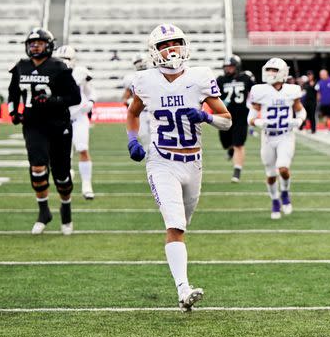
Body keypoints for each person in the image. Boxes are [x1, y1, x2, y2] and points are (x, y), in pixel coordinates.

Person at [126, 23, 232, 312]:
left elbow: (227, 120)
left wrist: (205, 117)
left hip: (194, 162)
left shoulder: (200, 77)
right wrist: (132, 138)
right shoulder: (145, 81)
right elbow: (133, 113)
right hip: (162, 161)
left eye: (175, 43)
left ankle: (183, 287)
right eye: (164, 45)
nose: (171, 49)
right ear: (155, 51)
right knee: (175, 225)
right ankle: (183, 289)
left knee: (183, 222)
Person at [8, 28, 81, 235]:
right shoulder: (20, 66)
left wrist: (53, 101)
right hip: (33, 125)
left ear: (48, 45)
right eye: (32, 44)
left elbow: (74, 97)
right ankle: (44, 212)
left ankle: (66, 208)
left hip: (58, 125)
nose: (34, 47)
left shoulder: (59, 67)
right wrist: (14, 111)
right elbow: (13, 91)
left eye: (39, 43)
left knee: (61, 175)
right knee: (38, 168)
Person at [248, 57, 304, 220]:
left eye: (274, 70)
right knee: (271, 174)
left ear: (283, 73)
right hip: (267, 137)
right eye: (268, 70)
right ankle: (274, 201)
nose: (270, 73)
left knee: (283, 168)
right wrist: (258, 121)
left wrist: (299, 120)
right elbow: (250, 116)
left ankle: (285, 192)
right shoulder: (259, 90)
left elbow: (301, 111)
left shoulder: (291, 90)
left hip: (285, 135)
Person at [53, 45, 97, 200]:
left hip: (78, 118)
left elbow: (90, 91)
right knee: (64, 153)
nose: (63, 62)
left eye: (66, 59)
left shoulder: (81, 72)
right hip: (61, 118)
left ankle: (86, 184)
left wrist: (91, 102)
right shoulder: (52, 72)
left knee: (83, 149)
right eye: (60, 59)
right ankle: (67, 178)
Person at [216, 55, 254, 183]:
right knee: (226, 143)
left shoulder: (246, 77)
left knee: (239, 144)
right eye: (226, 67)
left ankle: (237, 172)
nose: (228, 69)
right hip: (225, 116)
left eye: (231, 67)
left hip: (241, 116)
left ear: (237, 67)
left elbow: (255, 92)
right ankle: (230, 149)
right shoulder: (220, 80)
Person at [123, 53, 152, 142]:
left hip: (153, 110)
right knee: (144, 137)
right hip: (140, 112)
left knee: (156, 136)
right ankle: (148, 155)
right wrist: (129, 102)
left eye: (140, 61)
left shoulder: (155, 74)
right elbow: (126, 97)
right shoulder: (130, 78)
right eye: (137, 62)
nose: (139, 63)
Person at [316, 69, 330, 134]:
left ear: (326, 74)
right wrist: (318, 100)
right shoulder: (319, 82)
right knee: (325, 117)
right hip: (323, 103)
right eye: (320, 75)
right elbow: (318, 93)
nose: (321, 76)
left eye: (322, 74)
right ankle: (327, 129)